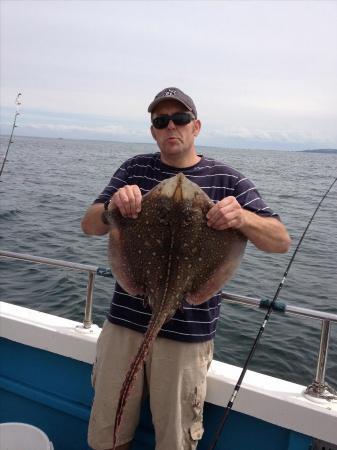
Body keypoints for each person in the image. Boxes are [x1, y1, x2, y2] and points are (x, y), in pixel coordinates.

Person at [81, 87, 291, 450]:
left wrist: (241, 216)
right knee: (108, 432)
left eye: (179, 119)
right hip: (124, 327)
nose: (170, 127)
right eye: (161, 121)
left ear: (196, 126)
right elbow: (89, 225)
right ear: (153, 131)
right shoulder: (134, 169)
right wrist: (112, 207)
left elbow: (279, 241)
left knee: (175, 440)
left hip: (187, 338)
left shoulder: (229, 180)